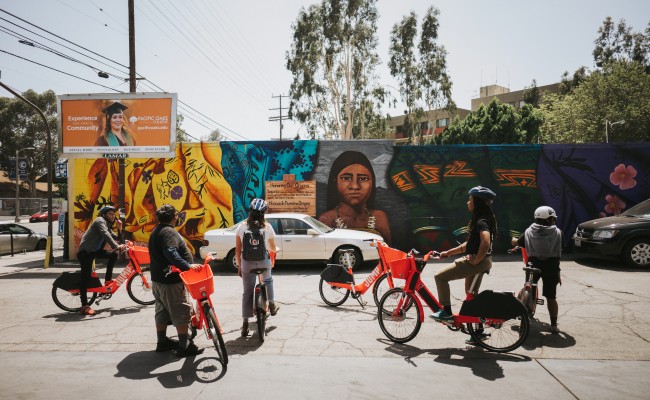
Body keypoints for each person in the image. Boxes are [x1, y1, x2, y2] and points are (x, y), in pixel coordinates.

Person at [431, 186, 497, 337]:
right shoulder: (484, 218)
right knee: (471, 295)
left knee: (440, 277)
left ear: (477, 202)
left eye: (470, 199)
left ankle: (446, 312)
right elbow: (469, 245)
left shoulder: (481, 221)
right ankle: (478, 332)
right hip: (484, 261)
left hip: (478, 262)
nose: (468, 202)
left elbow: (485, 242)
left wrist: (476, 261)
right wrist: (448, 253)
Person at [148, 204, 203, 357]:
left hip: (159, 280)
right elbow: (170, 252)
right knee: (180, 312)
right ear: (174, 217)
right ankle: (184, 346)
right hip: (170, 281)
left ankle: (162, 342)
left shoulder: (157, 231)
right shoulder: (168, 232)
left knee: (162, 311)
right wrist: (187, 266)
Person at [318, 151, 391, 243]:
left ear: (372, 182)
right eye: (346, 178)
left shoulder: (380, 217)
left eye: (363, 179)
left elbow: (388, 251)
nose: (355, 186)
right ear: (335, 181)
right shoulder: (327, 219)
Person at [512, 206, 563, 333]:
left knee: (528, 288)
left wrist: (513, 240)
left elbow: (519, 242)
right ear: (550, 219)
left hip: (532, 265)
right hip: (551, 266)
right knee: (551, 297)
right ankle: (554, 325)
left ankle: (523, 312)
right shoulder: (558, 232)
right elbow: (562, 248)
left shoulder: (529, 231)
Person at [236, 198, 279, 337]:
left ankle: (244, 324)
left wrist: (239, 265)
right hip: (263, 262)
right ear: (263, 213)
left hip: (247, 263)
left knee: (247, 293)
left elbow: (238, 249)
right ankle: (272, 304)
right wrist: (275, 249)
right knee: (268, 280)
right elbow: (272, 247)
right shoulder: (267, 227)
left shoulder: (242, 227)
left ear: (250, 211)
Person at [77, 205, 125, 316]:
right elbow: (106, 234)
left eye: (114, 214)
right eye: (110, 214)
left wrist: (120, 229)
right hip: (85, 252)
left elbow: (116, 238)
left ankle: (108, 281)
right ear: (104, 214)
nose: (113, 216)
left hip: (94, 252)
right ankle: (84, 306)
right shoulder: (99, 221)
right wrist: (116, 246)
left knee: (113, 256)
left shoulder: (107, 225)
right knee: (86, 278)